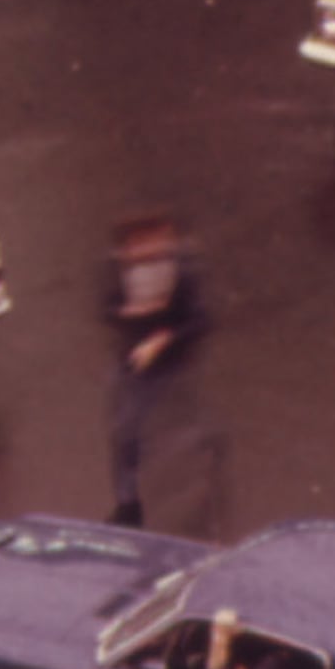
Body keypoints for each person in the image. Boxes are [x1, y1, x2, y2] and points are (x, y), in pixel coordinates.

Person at [103, 209, 208, 532]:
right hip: (133, 361)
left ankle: (193, 496)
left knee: (146, 427)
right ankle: (129, 503)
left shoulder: (183, 273)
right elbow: (107, 308)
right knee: (123, 431)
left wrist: (165, 338)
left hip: (169, 363)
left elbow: (200, 320)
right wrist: (129, 313)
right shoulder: (118, 271)